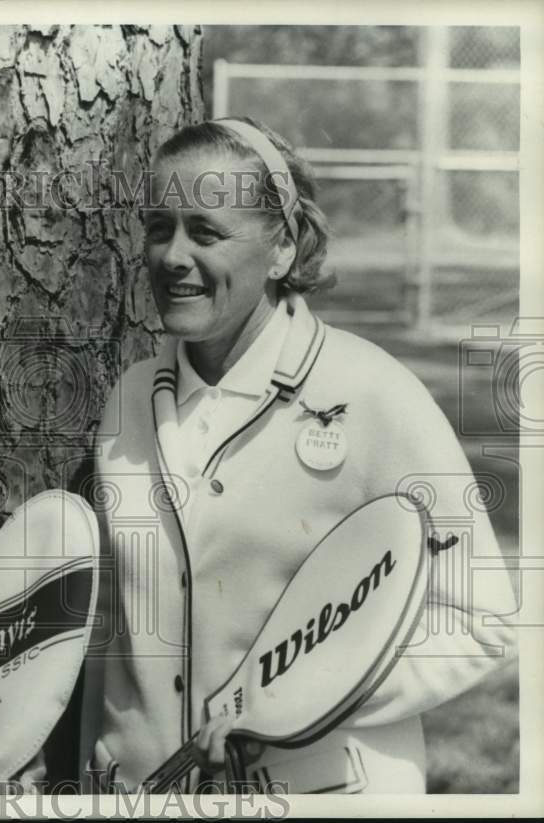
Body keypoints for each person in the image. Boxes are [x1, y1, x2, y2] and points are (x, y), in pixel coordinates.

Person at [77, 117, 518, 794]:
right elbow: (112, 639)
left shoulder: (372, 392)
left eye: (206, 231)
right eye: (159, 227)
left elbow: (480, 618)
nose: (171, 255)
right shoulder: (129, 401)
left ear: (281, 248)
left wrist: (298, 704)